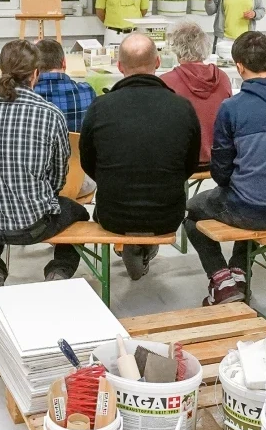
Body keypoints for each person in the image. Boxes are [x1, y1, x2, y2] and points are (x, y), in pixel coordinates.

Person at [184, 31, 266, 306]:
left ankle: (222, 280)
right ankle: (240, 273)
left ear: (240, 66)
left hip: (252, 208)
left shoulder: (233, 108)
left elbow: (220, 174)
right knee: (250, 196)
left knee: (193, 212)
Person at [0, 39, 90, 294]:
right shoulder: (49, 114)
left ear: (1, 70)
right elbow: (58, 178)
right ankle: (59, 271)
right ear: (36, 73)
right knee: (80, 213)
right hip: (33, 225)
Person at [80, 33, 201, 280]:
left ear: (119, 66)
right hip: (168, 215)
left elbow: (88, 162)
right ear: (157, 63)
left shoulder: (100, 107)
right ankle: (143, 247)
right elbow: (189, 165)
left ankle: (136, 248)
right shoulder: (182, 107)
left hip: (114, 214)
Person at [160, 21, 232, 168]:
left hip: (182, 161)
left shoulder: (167, 81)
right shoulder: (223, 78)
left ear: (177, 49)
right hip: (219, 158)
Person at [33, 38, 96, 134]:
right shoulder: (87, 92)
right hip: (77, 148)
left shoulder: (28, 96)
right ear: (64, 63)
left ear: (34, 67)